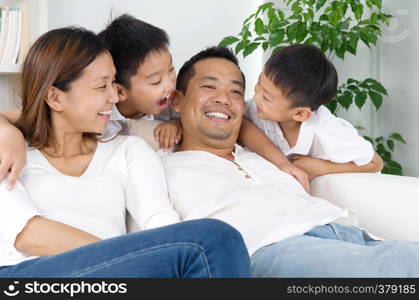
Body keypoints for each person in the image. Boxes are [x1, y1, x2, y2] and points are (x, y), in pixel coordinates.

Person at [0, 28, 250, 278]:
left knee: (216, 241)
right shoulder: (9, 150)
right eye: (101, 87)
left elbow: (159, 222)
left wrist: (156, 259)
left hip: (111, 278)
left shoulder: (128, 150)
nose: (113, 96)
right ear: (55, 97)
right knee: (212, 238)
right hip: (26, 276)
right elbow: (26, 234)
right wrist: (131, 259)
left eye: (113, 83)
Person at [160, 45, 419, 277]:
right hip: (274, 249)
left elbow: (373, 162)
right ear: (178, 100)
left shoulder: (265, 150)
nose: (224, 99)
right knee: (401, 266)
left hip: (341, 230)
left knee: (404, 256)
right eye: (209, 86)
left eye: (236, 92)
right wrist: (175, 122)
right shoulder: (160, 167)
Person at [0, 14, 309, 193]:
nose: (170, 85)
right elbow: (18, 117)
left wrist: (282, 165)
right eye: (154, 80)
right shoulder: (94, 112)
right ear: (119, 90)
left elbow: (239, 125)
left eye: (171, 70)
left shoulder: (171, 104)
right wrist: (11, 136)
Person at [246, 44, 384, 179]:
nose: (256, 97)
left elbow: (376, 163)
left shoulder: (328, 131)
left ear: (300, 114)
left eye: (266, 97)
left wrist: (322, 167)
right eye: (259, 83)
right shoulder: (258, 108)